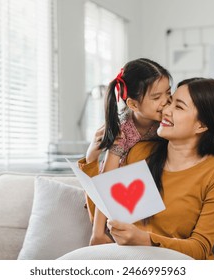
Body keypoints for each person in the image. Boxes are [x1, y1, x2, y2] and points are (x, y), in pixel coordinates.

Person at [80, 77, 214, 260]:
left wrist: (145, 239)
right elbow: (103, 220)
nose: (166, 110)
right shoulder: (140, 153)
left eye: (178, 107)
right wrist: (91, 159)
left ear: (201, 125)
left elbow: (200, 248)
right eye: (169, 102)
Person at [89, 58, 172, 246]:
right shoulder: (123, 130)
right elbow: (107, 179)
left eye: (168, 93)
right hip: (122, 196)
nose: (166, 102)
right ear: (133, 105)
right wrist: (97, 233)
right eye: (156, 97)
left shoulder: (166, 120)